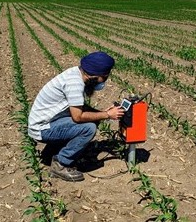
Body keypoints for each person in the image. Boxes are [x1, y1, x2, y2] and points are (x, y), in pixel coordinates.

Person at [28, 51, 125, 182]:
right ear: (95, 76)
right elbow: (78, 117)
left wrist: (101, 113)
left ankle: (49, 153)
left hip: (47, 122)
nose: (104, 81)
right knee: (88, 128)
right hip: (42, 129)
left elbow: (79, 107)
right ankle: (61, 164)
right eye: (105, 77)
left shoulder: (76, 73)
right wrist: (107, 114)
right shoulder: (75, 84)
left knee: (93, 119)